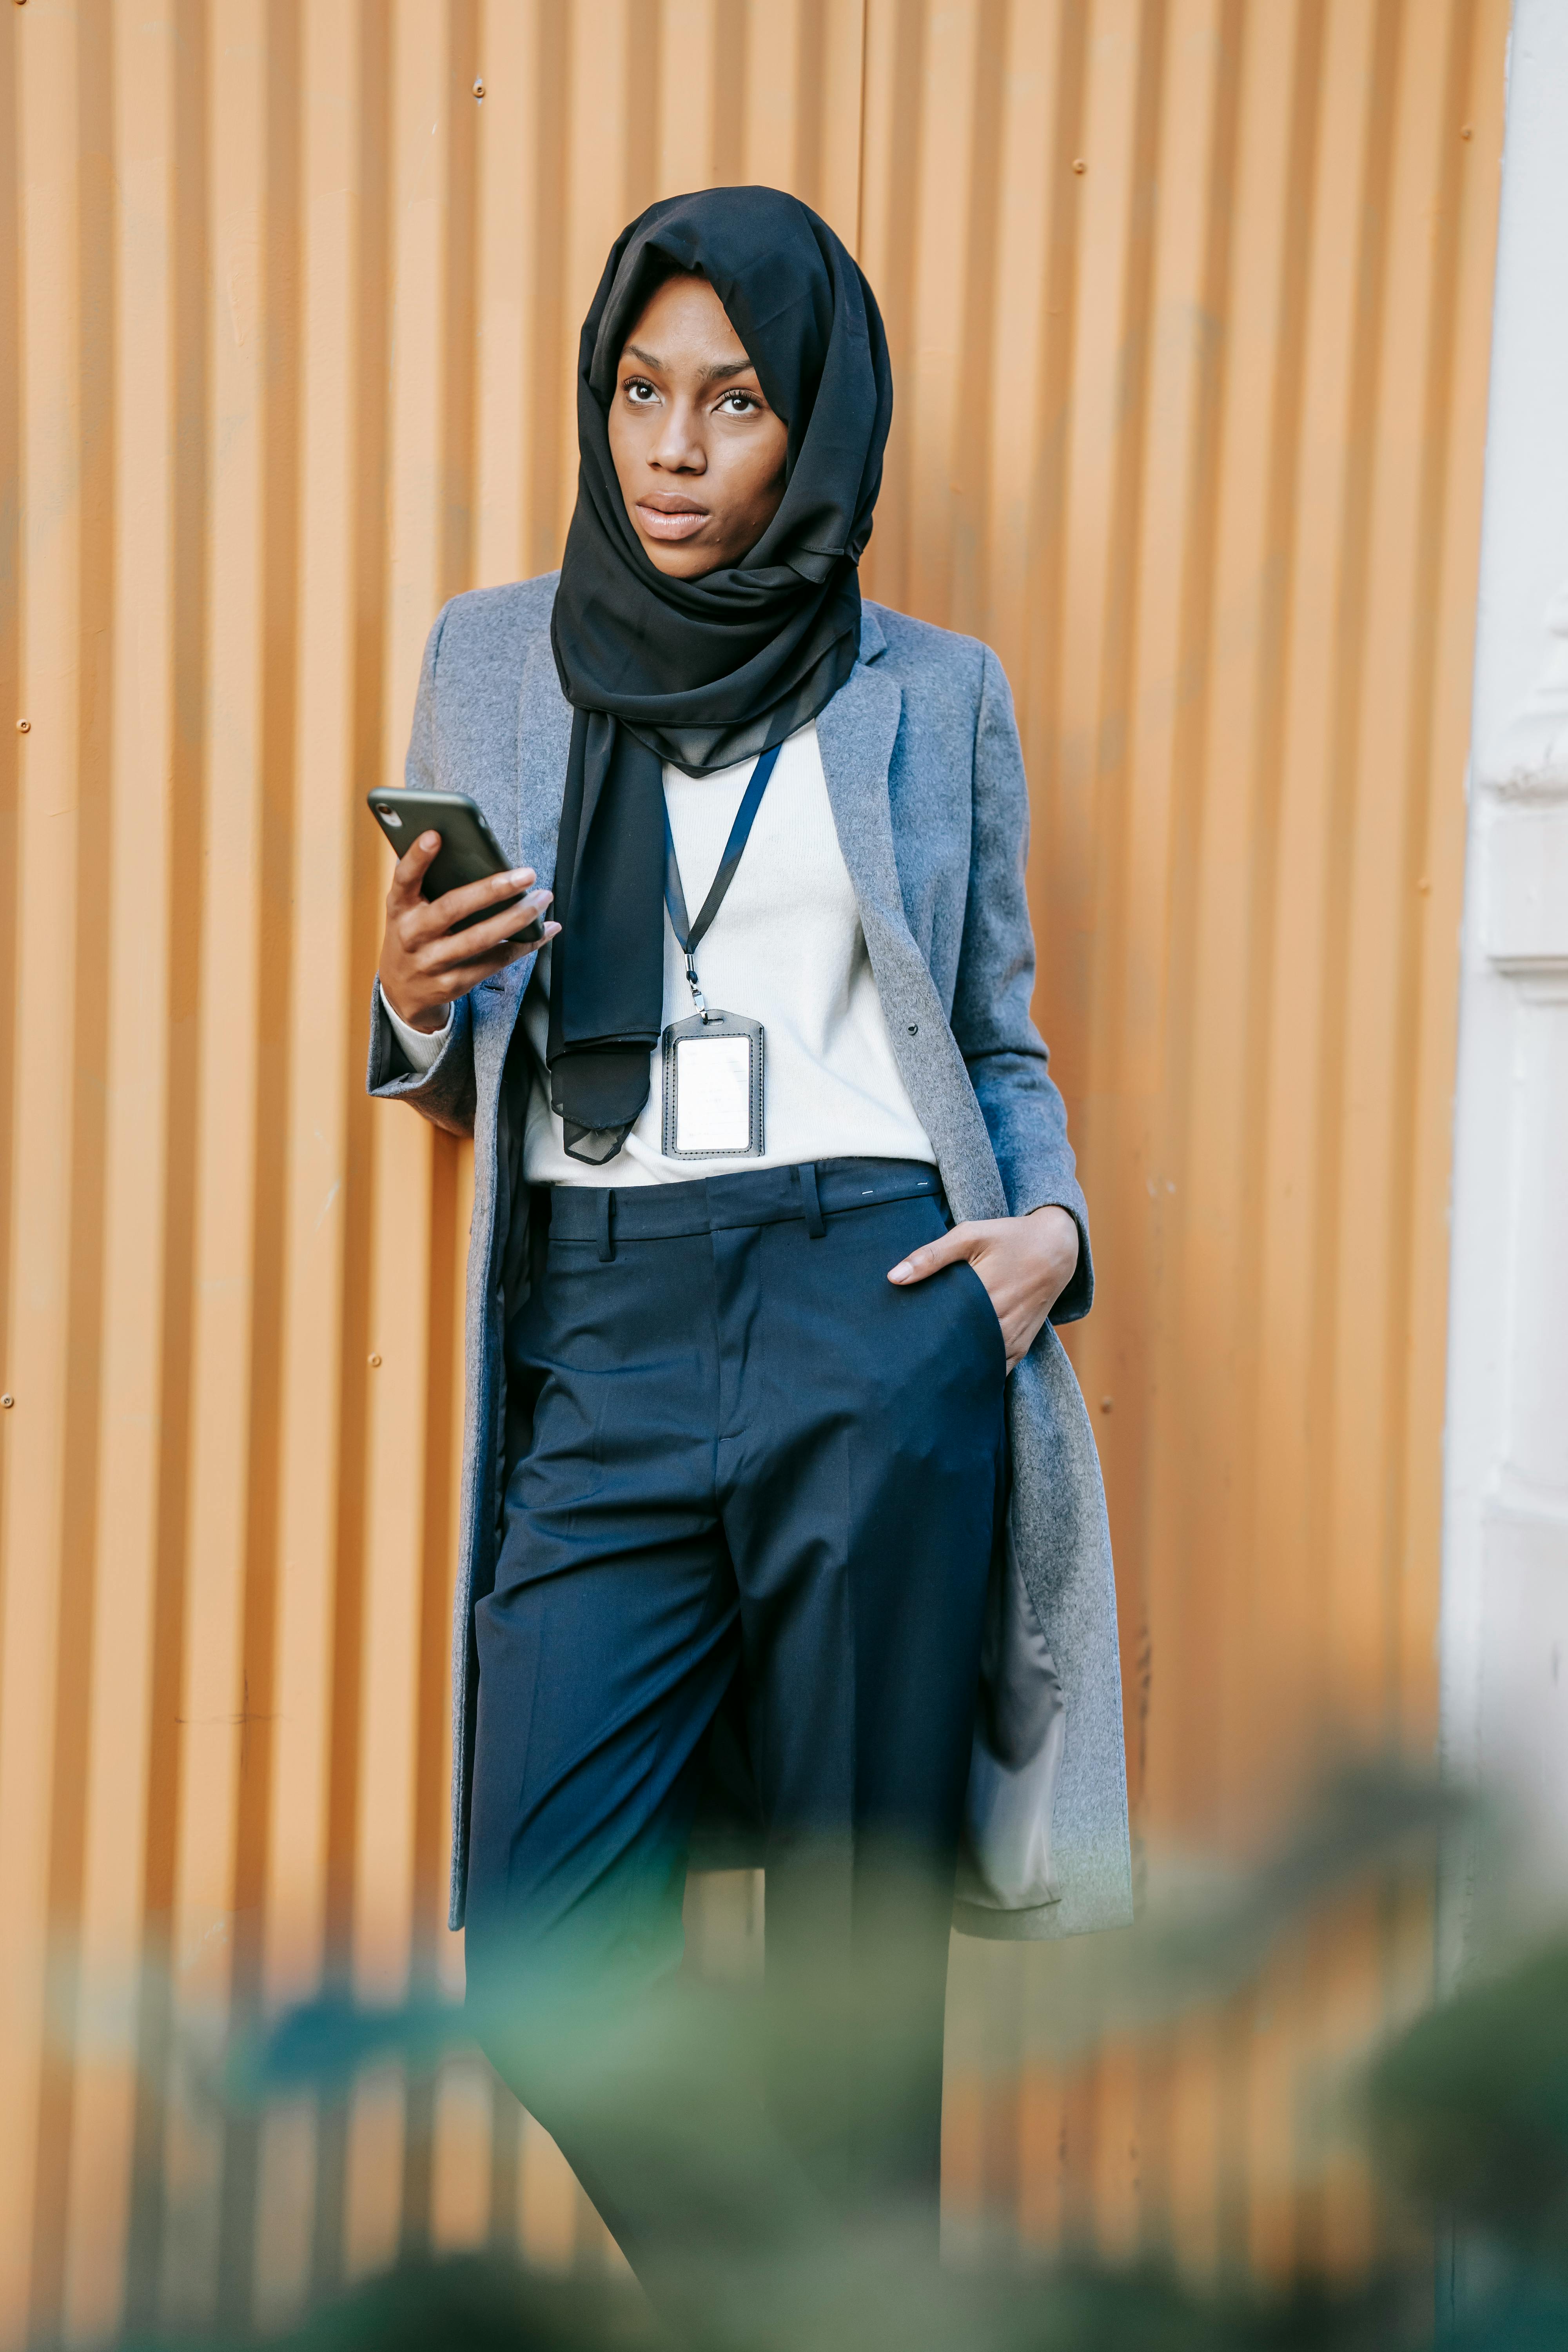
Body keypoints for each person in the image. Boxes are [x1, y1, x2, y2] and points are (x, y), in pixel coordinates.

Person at [368, 187, 1130, 2281]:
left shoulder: (929, 692)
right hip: (600, 1320)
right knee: (539, 1929)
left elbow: (991, 1026)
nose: (673, 452)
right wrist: (417, 1000)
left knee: (858, 1980)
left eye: (732, 402)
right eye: (639, 393)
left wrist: (1049, 1228)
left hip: (875, 1308)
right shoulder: (492, 659)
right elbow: (448, 1044)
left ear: (819, 430)